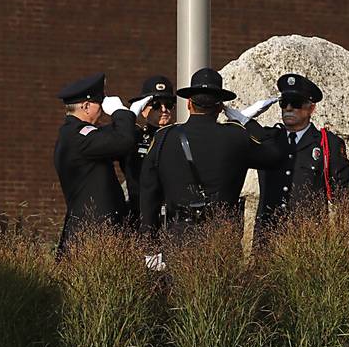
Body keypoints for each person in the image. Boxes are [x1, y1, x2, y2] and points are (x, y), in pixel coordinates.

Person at [139, 67, 285, 235]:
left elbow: (149, 193)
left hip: (178, 238)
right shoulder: (236, 136)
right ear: (220, 107)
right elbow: (274, 156)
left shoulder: (164, 138)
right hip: (221, 238)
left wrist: (149, 244)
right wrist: (245, 120)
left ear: (189, 104)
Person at [254, 72, 349, 233]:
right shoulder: (268, 139)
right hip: (268, 240)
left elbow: (345, 195)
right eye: (284, 103)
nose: (288, 108)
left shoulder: (327, 144)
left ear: (311, 108)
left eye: (296, 103)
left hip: (307, 240)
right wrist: (245, 117)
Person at [53, 72, 136, 254]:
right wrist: (120, 112)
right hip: (92, 236)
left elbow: (111, 138)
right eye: (100, 102)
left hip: (93, 233)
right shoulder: (79, 136)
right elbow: (124, 141)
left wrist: (130, 116)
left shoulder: (75, 134)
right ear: (86, 106)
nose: (102, 108)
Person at [121, 75, 176, 223]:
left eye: (169, 104)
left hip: (171, 215)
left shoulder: (178, 136)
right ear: (144, 109)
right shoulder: (134, 137)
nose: (164, 110)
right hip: (139, 214)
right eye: (156, 105)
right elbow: (113, 139)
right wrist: (131, 116)